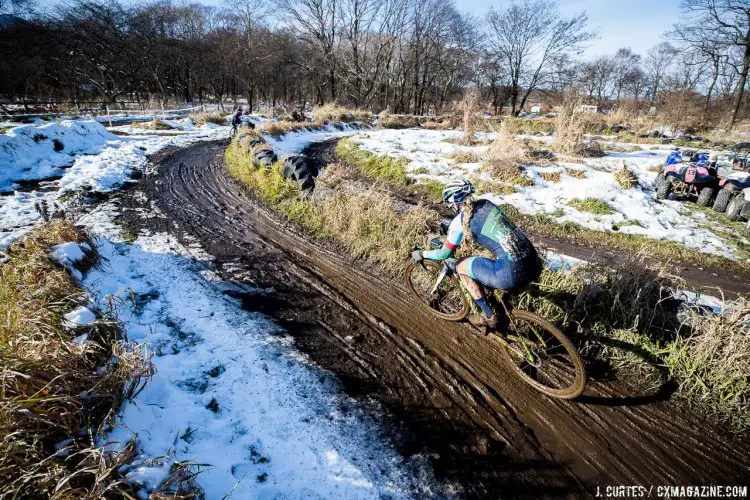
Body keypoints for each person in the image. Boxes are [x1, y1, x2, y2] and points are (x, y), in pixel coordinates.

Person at [411, 179, 542, 329]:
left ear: (454, 203)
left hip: (511, 272)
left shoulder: (459, 222)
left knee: (461, 266)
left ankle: (488, 315)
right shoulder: (487, 204)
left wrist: (422, 253)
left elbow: (443, 254)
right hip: (534, 262)